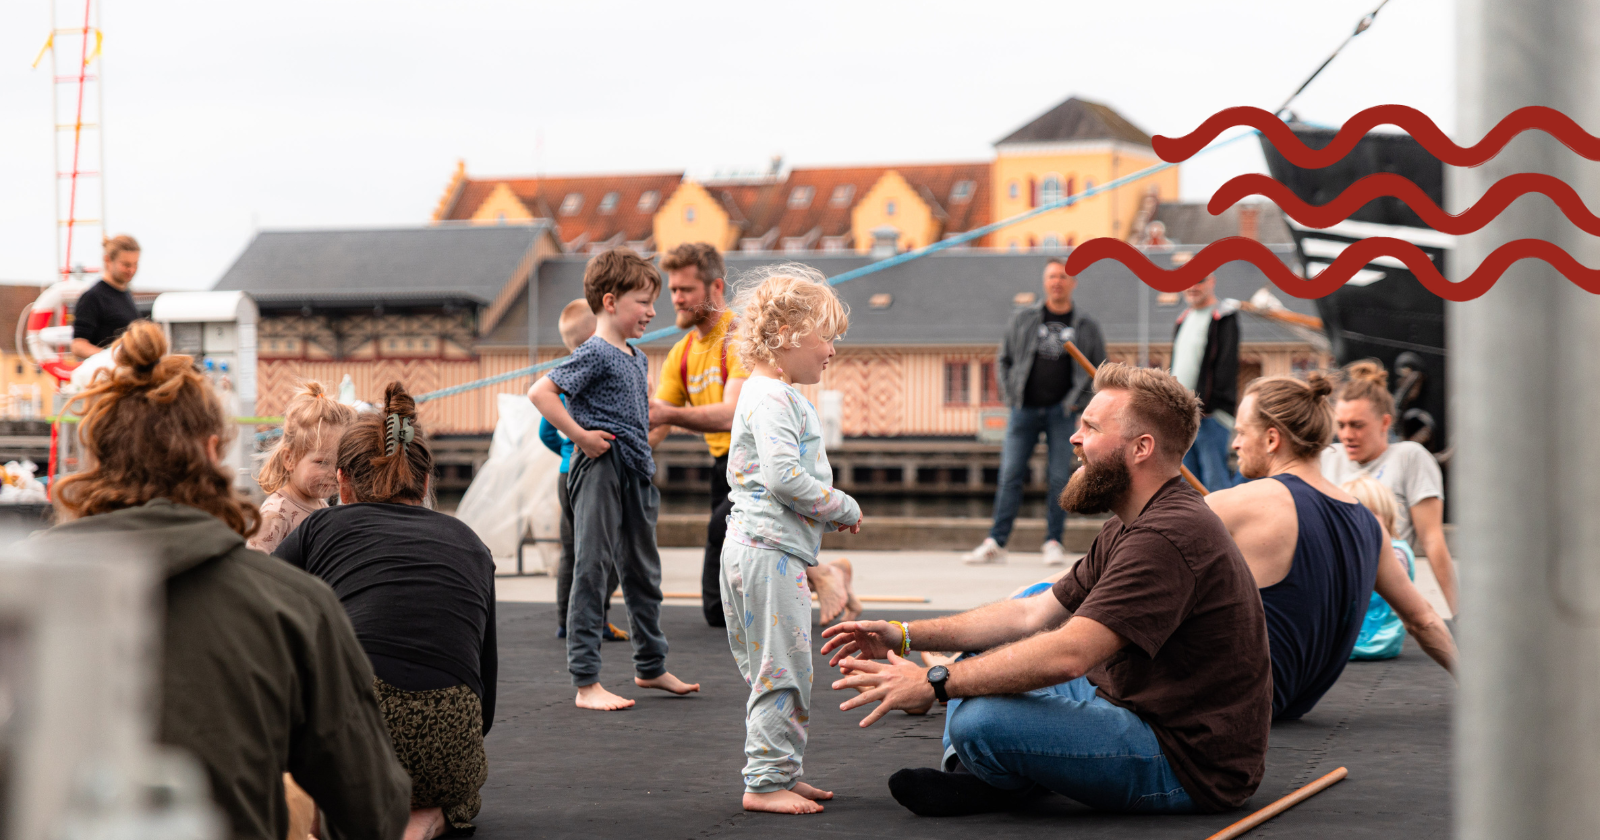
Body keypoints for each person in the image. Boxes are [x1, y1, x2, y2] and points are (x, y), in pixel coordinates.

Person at [824, 363, 1271, 818]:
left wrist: (934, 682)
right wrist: (903, 635)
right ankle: (983, 778)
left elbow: (1069, 655)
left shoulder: (1167, 537)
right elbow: (1031, 614)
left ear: (1141, 448)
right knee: (1010, 631)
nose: (1074, 438)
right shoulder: (1131, 524)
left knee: (979, 719)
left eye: (1091, 427)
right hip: (1131, 703)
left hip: (1185, 764)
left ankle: (991, 775)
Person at [25, 321, 409, 840]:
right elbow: (375, 809)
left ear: (95, 456)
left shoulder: (18, 597)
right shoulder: (294, 607)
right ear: (212, 451)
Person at [275, 382, 496, 839]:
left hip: (355, 746)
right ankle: (427, 813)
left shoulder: (321, 527)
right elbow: (485, 694)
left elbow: (261, 616)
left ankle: (330, 811)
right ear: (427, 482)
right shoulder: (472, 544)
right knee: (453, 790)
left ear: (341, 482)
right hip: (450, 750)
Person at [1204, 374, 1455, 720]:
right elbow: (1423, 620)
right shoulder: (1369, 524)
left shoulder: (1234, 504)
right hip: (1294, 701)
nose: (1235, 444)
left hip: (1232, 701)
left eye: (1242, 432)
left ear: (1272, 438)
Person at [649, 242, 861, 624]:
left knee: (735, 528)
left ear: (715, 287)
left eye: (686, 289)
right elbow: (659, 418)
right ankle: (823, 572)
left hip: (757, 465)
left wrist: (668, 413)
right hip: (726, 464)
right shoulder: (682, 353)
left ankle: (821, 573)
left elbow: (728, 414)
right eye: (673, 290)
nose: (677, 299)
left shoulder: (745, 340)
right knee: (718, 612)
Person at [720, 265, 864, 816]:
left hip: (756, 550)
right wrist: (841, 506)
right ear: (787, 334)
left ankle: (781, 770)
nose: (832, 351)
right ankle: (763, 783)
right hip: (768, 554)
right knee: (782, 670)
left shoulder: (761, 394)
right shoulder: (776, 398)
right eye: (826, 337)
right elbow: (783, 478)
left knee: (776, 668)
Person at [529, 248, 700, 711]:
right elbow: (540, 392)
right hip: (601, 468)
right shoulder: (596, 353)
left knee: (643, 571)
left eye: (653, 301)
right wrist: (582, 437)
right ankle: (586, 682)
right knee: (593, 566)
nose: (652, 311)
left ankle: (650, 666)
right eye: (643, 301)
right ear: (610, 301)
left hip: (636, 472)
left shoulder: (635, 357)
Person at [963, 258, 1104, 566]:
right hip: (1023, 410)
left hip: (1063, 413)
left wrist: (1076, 403)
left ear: (1073, 283)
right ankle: (996, 543)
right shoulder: (1024, 318)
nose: (1057, 281)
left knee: (1058, 478)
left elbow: (1098, 371)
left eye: (1063, 277)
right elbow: (1004, 359)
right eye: (1052, 276)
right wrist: (1010, 395)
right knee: (1010, 475)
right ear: (1045, 282)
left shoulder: (1086, 325)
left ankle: (1053, 541)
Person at [1321, 360, 1458, 614]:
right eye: (1341, 425)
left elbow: (1432, 539)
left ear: (1385, 423)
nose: (1347, 434)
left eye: (1357, 425)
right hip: (1335, 601)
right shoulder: (1327, 458)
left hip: (1384, 602)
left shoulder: (1409, 458)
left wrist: (1460, 615)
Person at [540, 298, 626, 642]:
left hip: (566, 474)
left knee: (572, 550)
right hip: (593, 471)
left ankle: (567, 620)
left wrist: (565, 452)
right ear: (595, 332)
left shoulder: (562, 379)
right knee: (607, 549)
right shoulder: (592, 376)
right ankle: (595, 617)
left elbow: (546, 432)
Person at [249, 381, 356, 554]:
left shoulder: (321, 506)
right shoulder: (276, 514)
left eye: (339, 464)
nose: (333, 473)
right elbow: (255, 567)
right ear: (289, 459)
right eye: (322, 462)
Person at [1170, 272, 1240, 491]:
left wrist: (1205, 406)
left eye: (1199, 279)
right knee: (1187, 485)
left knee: (1214, 483)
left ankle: (1222, 526)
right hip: (1184, 419)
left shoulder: (1223, 317)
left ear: (1212, 281)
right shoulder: (1183, 318)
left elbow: (1225, 366)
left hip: (1210, 416)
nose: (1192, 285)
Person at [1343, 475, 1418, 660]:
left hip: (1376, 643)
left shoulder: (1396, 553)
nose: (1361, 521)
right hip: (1349, 645)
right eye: (1351, 514)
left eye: (1371, 513)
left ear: (1387, 516)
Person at [72, 234, 142, 359]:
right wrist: (112, 358)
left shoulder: (126, 294)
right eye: (126, 265)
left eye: (135, 264)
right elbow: (78, 345)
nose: (131, 270)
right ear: (108, 260)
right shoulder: (92, 297)